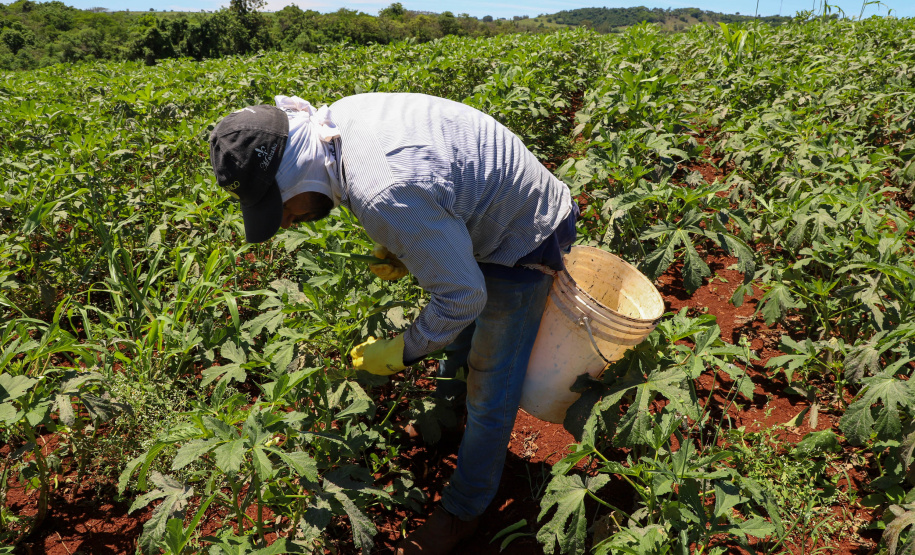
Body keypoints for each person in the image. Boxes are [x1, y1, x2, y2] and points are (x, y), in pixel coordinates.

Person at [208, 93, 577, 555]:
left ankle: (463, 510)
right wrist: (417, 239)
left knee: (491, 388)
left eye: (280, 207)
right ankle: (447, 416)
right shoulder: (336, 123)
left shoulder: (382, 193)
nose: (286, 221)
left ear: (295, 173)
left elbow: (463, 297)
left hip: (525, 233)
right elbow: (424, 190)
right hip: (481, 208)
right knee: (460, 334)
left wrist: (404, 349)